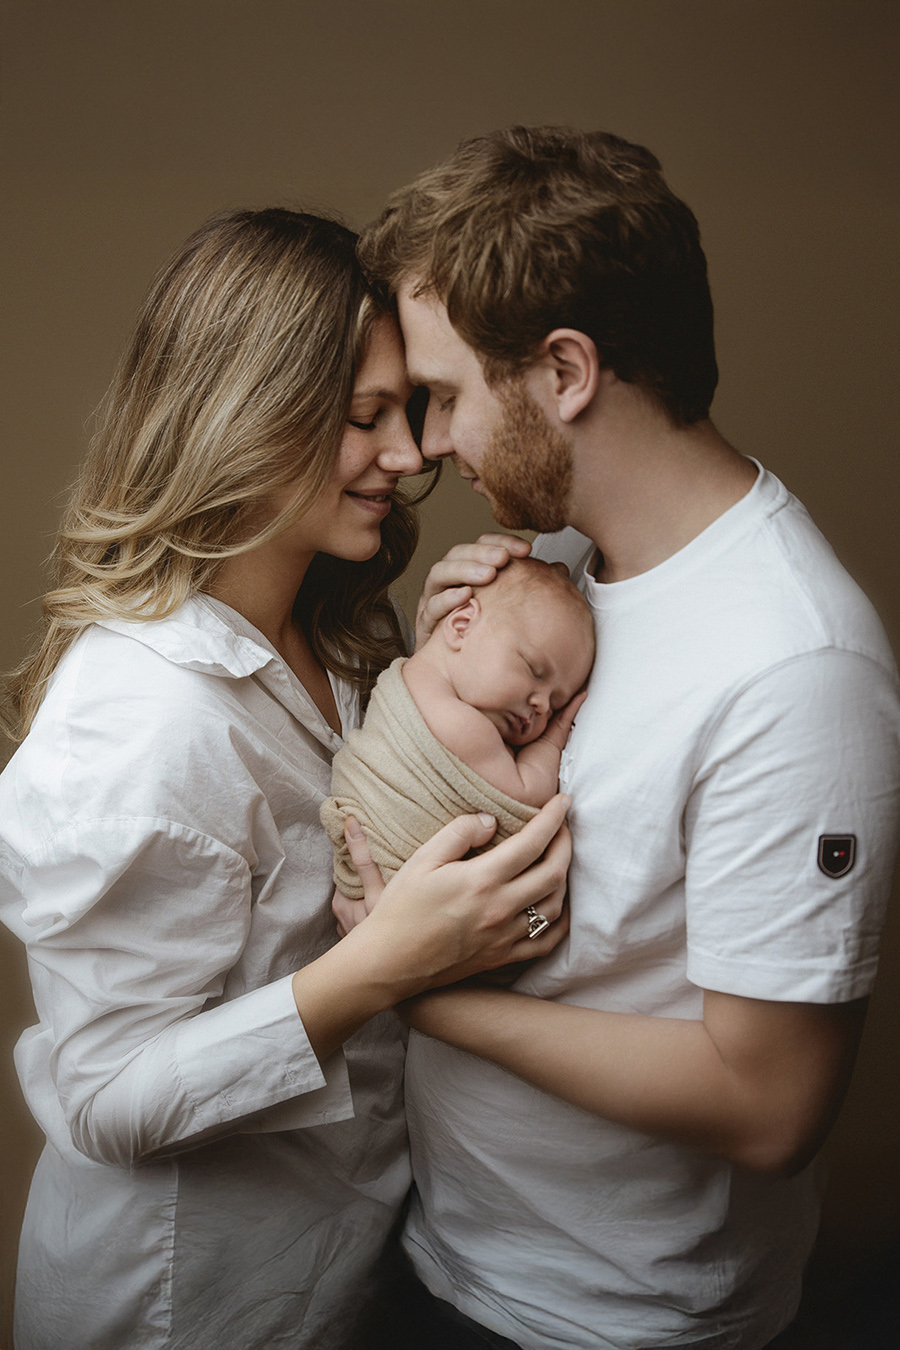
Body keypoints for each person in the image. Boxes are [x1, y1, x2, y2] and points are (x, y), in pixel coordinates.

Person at [354, 127, 900, 1349]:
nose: (431, 443)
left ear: (565, 371)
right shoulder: (555, 566)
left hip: (605, 1320)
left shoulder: (795, 665)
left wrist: (420, 996)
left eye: (446, 395)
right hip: (444, 1245)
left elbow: (770, 1103)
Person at [0, 207, 573, 1350]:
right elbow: (108, 1103)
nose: (411, 458)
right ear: (246, 416)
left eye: (405, 413)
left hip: (334, 1263)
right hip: (178, 1301)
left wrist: (458, 655)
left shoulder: (332, 633)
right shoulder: (141, 721)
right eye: (366, 420)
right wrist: (385, 966)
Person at [322, 557, 593, 900]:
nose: (542, 705)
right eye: (535, 671)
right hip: (399, 882)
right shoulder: (465, 726)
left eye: (556, 702)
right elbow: (527, 792)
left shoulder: (408, 673)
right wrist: (554, 739)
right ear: (461, 625)